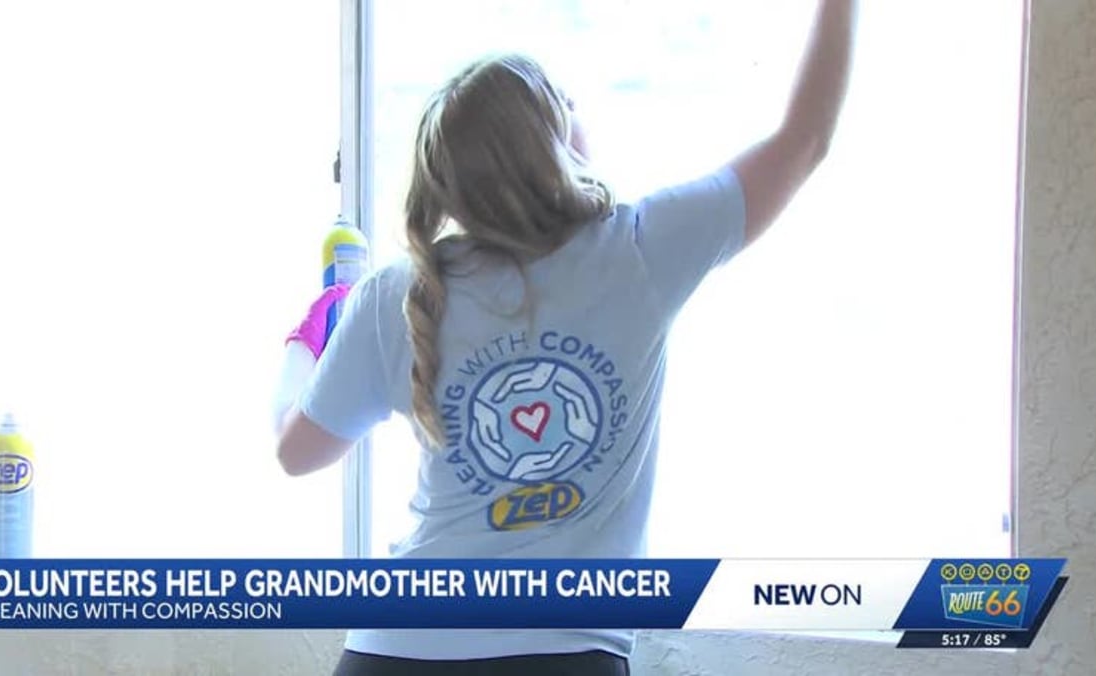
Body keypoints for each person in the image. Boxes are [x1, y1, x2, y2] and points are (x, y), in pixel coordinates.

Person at [274, 1, 856, 673]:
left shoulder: (398, 293)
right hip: (565, 655)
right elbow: (805, 138)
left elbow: (296, 452)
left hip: (395, 649)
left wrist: (303, 343)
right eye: (565, 101)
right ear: (551, 143)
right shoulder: (640, 249)